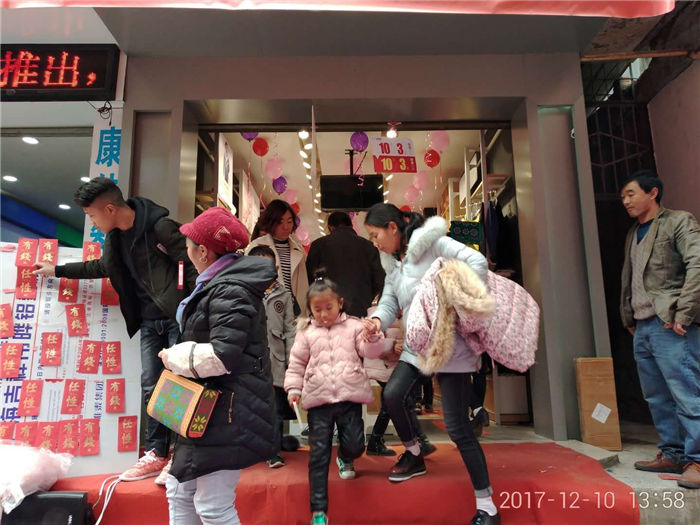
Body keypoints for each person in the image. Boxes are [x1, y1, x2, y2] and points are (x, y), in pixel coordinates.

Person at [33, 178, 197, 483]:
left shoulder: (159, 227)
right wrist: (57, 270)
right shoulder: (115, 240)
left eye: (92, 215)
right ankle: (157, 452)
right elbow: (101, 267)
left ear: (109, 209)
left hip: (177, 318)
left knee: (180, 385)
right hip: (147, 322)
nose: (93, 223)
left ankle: (183, 454)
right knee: (151, 386)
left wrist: (188, 307)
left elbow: (189, 263)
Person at [362, 203, 500, 525]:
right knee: (393, 395)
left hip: (451, 347)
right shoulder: (393, 263)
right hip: (416, 345)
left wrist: (458, 299)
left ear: (392, 228)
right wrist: (377, 321)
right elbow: (390, 301)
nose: (374, 243)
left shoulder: (434, 243)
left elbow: (477, 262)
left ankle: (487, 505)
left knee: (457, 428)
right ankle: (414, 453)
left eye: (375, 235)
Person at [158, 206, 278, 524]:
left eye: (189, 244)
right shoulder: (218, 284)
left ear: (203, 251)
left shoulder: (230, 289)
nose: (186, 250)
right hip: (209, 407)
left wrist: (174, 357)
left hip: (227, 410)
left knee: (213, 506)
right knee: (178, 491)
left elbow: (223, 356)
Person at [619, 170, 700, 490]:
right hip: (642, 325)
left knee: (687, 392)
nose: (626, 201)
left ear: (652, 192)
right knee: (656, 396)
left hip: (671, 322)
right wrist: (629, 316)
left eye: (631, 194)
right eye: (623, 196)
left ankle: (697, 459)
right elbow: (631, 276)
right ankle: (673, 453)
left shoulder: (678, 221)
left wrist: (685, 312)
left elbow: (697, 264)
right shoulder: (632, 232)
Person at [284, 271, 384, 525]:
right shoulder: (306, 332)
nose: (323, 314)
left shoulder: (354, 326)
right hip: (318, 402)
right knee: (318, 456)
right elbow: (296, 363)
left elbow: (370, 351)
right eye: (317, 310)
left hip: (350, 399)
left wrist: (373, 335)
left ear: (340, 303)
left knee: (356, 445)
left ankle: (346, 456)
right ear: (310, 310)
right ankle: (318, 511)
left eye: (328, 308)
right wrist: (293, 389)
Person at [249, 244, 298, 468]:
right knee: (251, 407)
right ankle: (253, 448)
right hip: (250, 361)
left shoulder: (283, 294)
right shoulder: (244, 292)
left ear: (276, 268)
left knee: (275, 408)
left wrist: (291, 363)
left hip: (276, 360)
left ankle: (274, 451)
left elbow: (290, 330)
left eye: (268, 267)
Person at [306, 211, 385, 317]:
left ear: (330, 227)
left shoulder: (318, 245)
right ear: (351, 225)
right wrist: (366, 295)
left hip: (329, 309)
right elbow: (379, 279)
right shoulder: (369, 246)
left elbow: (309, 278)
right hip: (360, 306)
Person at [246, 199, 309, 316]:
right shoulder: (256, 246)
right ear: (271, 222)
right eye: (280, 222)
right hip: (268, 312)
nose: (286, 227)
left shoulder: (298, 249)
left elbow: (304, 285)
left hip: (296, 313)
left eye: (289, 221)